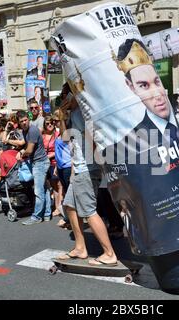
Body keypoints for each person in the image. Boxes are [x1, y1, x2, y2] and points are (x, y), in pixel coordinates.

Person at [56, 86, 118, 266]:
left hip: (86, 168)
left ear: (75, 93)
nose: (65, 98)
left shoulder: (83, 111)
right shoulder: (74, 112)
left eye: (67, 94)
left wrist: (93, 164)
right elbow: (65, 138)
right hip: (80, 167)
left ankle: (109, 253)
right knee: (69, 206)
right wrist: (62, 116)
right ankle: (80, 248)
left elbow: (93, 137)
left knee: (88, 211)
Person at [17, 111, 52, 225]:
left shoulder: (32, 130)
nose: (24, 123)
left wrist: (21, 154)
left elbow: (30, 150)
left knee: (38, 191)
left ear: (28, 119)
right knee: (44, 189)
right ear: (18, 122)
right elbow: (28, 146)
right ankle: (47, 213)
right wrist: (23, 150)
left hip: (40, 163)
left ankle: (36, 216)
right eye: (21, 121)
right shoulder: (25, 130)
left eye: (25, 120)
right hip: (38, 162)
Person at [42, 116, 61, 217]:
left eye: (51, 123)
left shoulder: (57, 135)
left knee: (58, 185)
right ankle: (56, 206)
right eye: (47, 123)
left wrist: (50, 155)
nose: (49, 125)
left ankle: (59, 207)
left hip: (55, 163)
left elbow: (60, 149)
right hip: (46, 164)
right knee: (53, 186)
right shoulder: (43, 136)